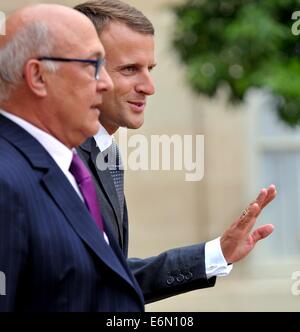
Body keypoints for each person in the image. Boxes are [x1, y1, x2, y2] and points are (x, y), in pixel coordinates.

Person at [75, 0, 277, 304]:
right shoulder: (61, 159)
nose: (149, 87)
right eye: (130, 69)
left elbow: (111, 278)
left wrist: (215, 254)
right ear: (84, 71)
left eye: (150, 69)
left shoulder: (107, 153)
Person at [0, 4, 145, 312]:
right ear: (38, 76)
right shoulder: (6, 182)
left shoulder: (71, 167)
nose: (104, 83)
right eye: (92, 65)